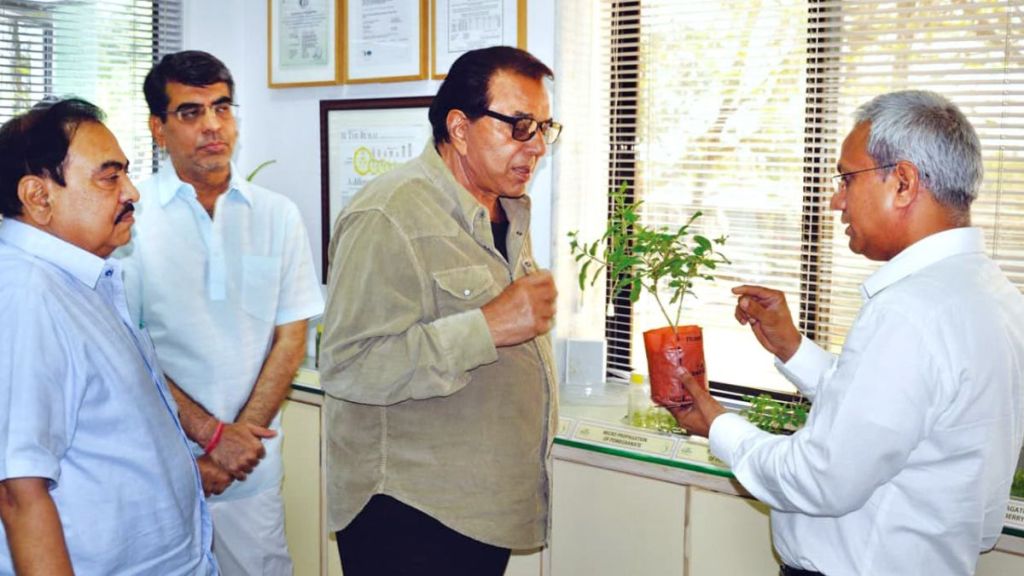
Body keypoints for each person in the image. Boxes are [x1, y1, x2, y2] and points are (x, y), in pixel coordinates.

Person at [671, 90, 1024, 576]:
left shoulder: (909, 311)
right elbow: (894, 412)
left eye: (847, 178)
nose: (836, 199)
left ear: (903, 183)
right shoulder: (994, 294)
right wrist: (793, 349)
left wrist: (718, 425)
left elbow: (820, 477)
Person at [318, 45, 561, 576]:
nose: (538, 146)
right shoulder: (388, 214)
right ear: (459, 128)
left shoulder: (504, 209)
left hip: (479, 507)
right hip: (410, 514)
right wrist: (488, 327)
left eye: (544, 128)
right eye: (520, 126)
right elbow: (347, 365)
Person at [117, 51, 324, 575]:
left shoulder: (277, 215)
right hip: (160, 471)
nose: (212, 125)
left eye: (222, 107)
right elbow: (127, 349)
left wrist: (236, 445)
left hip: (251, 473)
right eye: (191, 112)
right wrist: (210, 436)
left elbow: (291, 338)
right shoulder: (131, 222)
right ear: (158, 128)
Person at [0, 98, 217, 574]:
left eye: (127, 174)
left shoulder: (80, 278)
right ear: (38, 197)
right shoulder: (26, 296)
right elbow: (18, 491)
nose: (131, 192)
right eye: (109, 177)